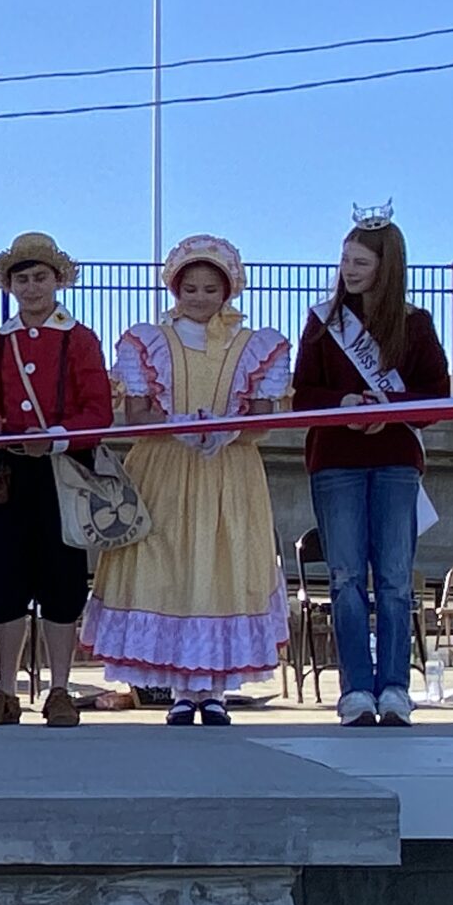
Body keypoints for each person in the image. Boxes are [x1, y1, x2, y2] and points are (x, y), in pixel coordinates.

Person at [82, 235, 289, 724]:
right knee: (169, 569)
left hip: (228, 473)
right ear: (176, 289)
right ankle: (178, 690)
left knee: (221, 571)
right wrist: (175, 426)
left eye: (209, 288)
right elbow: (133, 415)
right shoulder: (148, 341)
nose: (198, 297)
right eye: (190, 288)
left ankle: (213, 690)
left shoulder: (251, 345)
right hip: (163, 472)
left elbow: (264, 417)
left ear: (228, 291)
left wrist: (228, 430)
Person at [289, 209, 452, 726]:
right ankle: (355, 689)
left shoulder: (415, 324)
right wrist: (346, 402)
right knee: (344, 578)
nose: (349, 269)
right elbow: (302, 396)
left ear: (388, 266)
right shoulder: (322, 322)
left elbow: (436, 397)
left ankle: (396, 689)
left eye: (360, 261)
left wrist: (389, 412)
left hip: (396, 462)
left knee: (396, 580)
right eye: (345, 259)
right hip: (335, 460)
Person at [0, 231, 112, 727]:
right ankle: (5, 692)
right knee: (2, 575)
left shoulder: (80, 340)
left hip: (62, 474)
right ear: (9, 285)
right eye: (21, 278)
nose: (31, 287)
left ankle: (61, 689)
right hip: (5, 474)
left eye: (40, 277)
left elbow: (99, 412)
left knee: (62, 577)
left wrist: (58, 438)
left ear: (58, 280)